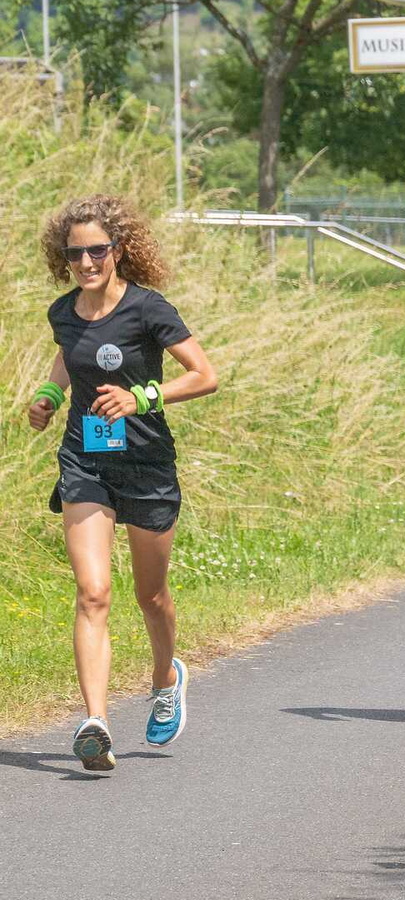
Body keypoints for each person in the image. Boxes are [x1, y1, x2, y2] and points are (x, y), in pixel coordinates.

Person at [26, 195, 219, 771]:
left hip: (147, 463)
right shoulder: (63, 311)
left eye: (97, 251)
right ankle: (95, 723)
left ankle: (165, 677)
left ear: (119, 250)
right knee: (93, 593)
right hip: (85, 460)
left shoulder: (148, 309)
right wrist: (51, 395)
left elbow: (205, 375)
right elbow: (70, 356)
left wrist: (142, 396)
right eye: (75, 253)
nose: (87, 263)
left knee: (150, 595)